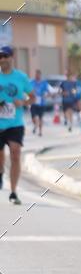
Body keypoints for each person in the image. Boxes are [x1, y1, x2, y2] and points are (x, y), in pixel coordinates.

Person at [0, 46, 34, 205]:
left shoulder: (21, 77)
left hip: (15, 123)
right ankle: (0, 173)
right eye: (0, 56)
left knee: (15, 154)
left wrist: (24, 102)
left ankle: (13, 191)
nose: (2, 59)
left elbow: (33, 97)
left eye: (5, 56)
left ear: (12, 57)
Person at [30, 69, 53, 137]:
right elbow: (27, 90)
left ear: (40, 75)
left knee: (40, 118)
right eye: (36, 74)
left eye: (38, 74)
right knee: (34, 117)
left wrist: (47, 95)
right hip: (33, 102)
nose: (37, 76)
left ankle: (40, 131)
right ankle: (35, 125)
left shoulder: (44, 83)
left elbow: (50, 91)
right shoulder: (32, 82)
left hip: (41, 103)